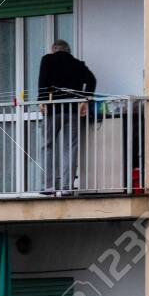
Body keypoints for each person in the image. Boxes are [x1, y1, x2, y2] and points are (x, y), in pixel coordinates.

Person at [37, 40, 97, 193]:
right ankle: (66, 187)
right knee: (70, 148)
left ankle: (48, 186)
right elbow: (92, 80)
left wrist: (41, 101)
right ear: (68, 50)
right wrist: (85, 99)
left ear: (53, 49)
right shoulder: (77, 63)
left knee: (47, 146)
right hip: (72, 110)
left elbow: (42, 81)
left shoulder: (47, 59)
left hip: (52, 110)